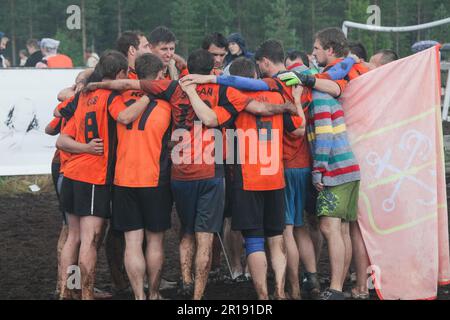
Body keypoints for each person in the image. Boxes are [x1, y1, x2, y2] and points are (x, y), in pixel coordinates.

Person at [84, 49, 298, 300]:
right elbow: (260, 108)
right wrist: (286, 105)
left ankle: (180, 281)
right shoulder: (225, 91)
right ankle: (198, 296)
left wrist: (93, 83)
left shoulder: (173, 87)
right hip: (212, 169)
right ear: (213, 70)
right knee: (206, 237)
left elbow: (128, 83)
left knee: (184, 231)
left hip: (179, 170)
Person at [190, 56, 305, 300]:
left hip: (247, 179)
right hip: (275, 178)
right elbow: (297, 130)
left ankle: (263, 296)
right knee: (276, 239)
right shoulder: (277, 96)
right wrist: (295, 100)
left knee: (253, 241)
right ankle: (281, 292)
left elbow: (211, 121)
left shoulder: (234, 102)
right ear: (254, 77)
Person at [56, 50, 152, 300]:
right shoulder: (110, 96)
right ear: (119, 74)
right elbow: (125, 116)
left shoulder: (82, 96)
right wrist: (149, 96)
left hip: (71, 173)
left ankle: (67, 292)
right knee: (90, 239)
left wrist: (82, 147)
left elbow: (62, 139)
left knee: (73, 237)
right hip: (93, 176)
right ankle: (86, 294)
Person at [112, 53, 173, 300]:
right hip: (154, 179)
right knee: (155, 242)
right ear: (159, 76)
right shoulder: (167, 105)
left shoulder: (119, 98)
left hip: (123, 178)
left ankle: (138, 295)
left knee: (132, 242)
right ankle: (154, 293)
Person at [307, 89, 361, 300]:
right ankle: (339, 284)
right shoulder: (329, 97)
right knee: (342, 230)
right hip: (349, 169)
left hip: (335, 170)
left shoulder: (318, 99)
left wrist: (318, 169)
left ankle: (336, 288)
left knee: (328, 227)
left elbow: (325, 134)